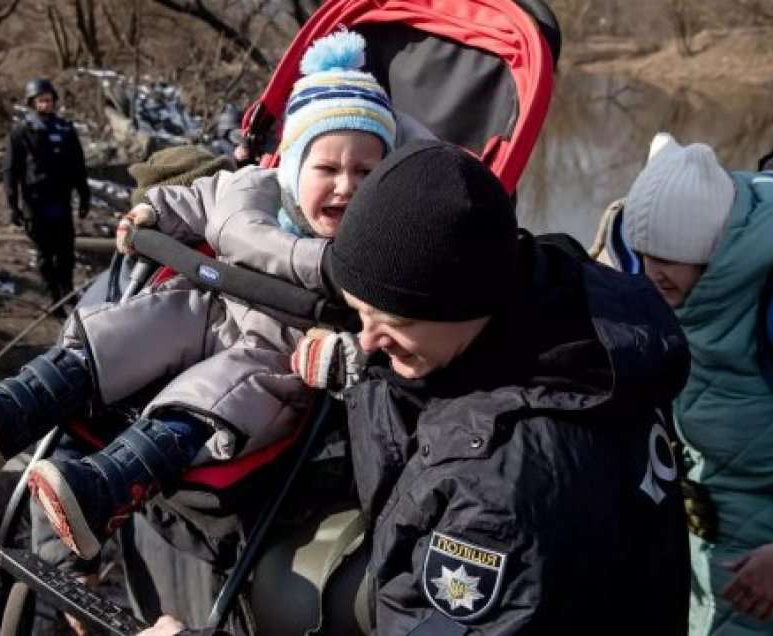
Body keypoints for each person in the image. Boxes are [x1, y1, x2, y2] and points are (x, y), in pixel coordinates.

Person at [141, 140, 693, 635]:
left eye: (391, 321)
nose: (369, 340)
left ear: (464, 304)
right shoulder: (554, 296)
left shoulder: (500, 491)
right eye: (358, 314)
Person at [0, 30, 396, 561]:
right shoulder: (249, 188)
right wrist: (152, 213)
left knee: (223, 389)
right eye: (327, 168)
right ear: (294, 165)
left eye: (365, 173)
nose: (345, 186)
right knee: (138, 322)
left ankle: (103, 490)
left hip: (278, 350)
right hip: (209, 305)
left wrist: (346, 352)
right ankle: (19, 404)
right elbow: (194, 199)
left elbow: (391, 326)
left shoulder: (376, 252)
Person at [621, 133, 773, 634]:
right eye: (643, 256)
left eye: (668, 258)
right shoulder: (668, 294)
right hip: (695, 556)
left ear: (712, 248)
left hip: (766, 574)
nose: (652, 274)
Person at [2, 78, 90, 305]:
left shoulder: (66, 129)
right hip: (35, 203)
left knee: (66, 253)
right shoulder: (22, 133)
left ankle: (67, 293)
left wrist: (84, 196)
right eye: (41, 101)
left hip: (61, 201)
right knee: (45, 255)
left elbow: (77, 166)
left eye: (49, 100)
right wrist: (13, 205)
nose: (45, 104)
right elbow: (11, 170)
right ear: (32, 103)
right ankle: (53, 299)